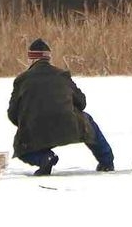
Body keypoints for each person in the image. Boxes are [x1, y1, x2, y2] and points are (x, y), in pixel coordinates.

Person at [7, 39, 114, 175]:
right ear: (48, 57)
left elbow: (12, 113)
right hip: (69, 125)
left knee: (21, 146)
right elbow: (81, 102)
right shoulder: (62, 75)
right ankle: (107, 161)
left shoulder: (21, 80)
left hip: (36, 129)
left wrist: (26, 124)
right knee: (88, 122)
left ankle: (44, 158)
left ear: (31, 59)